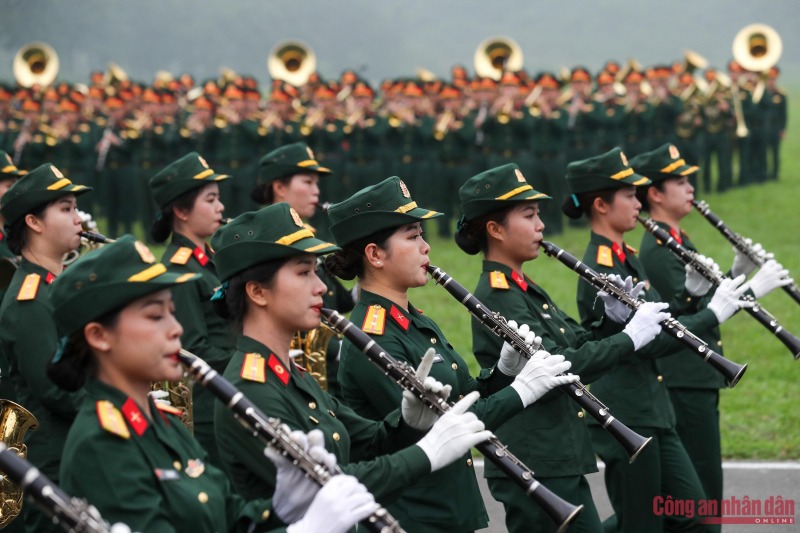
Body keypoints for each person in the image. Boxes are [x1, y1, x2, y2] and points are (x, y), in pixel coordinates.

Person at [47, 235, 378, 533]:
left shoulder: (160, 420)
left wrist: (281, 507)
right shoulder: (101, 444)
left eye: (172, 312)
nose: (176, 329)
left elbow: (227, 516)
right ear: (99, 336)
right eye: (154, 315)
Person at [326, 176, 580, 532]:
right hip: (416, 517)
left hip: (452, 510)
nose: (426, 247)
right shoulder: (373, 337)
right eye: (413, 236)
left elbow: (461, 397)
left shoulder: (414, 321)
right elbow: (445, 423)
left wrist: (506, 372)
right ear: (375, 254)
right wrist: (521, 392)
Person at [211, 202, 495, 515]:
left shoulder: (293, 375)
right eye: (304, 273)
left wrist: (410, 422)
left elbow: (366, 442)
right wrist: (427, 452)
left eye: (316, 272)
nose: (321, 287)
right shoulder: (251, 390)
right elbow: (330, 485)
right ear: (258, 292)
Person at [454, 162, 668, 533]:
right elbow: (561, 363)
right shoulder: (497, 295)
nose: (541, 225)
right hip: (534, 458)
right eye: (529, 215)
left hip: (554, 455)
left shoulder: (523, 287)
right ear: (495, 229)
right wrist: (630, 337)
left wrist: (612, 320)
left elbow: (573, 340)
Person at [562, 147, 753, 533]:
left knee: (693, 516)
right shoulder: (600, 268)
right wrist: (711, 312)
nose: (639, 201)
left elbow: (660, 330)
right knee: (643, 523)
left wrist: (690, 301)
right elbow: (652, 342)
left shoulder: (624, 257)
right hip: (628, 414)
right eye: (630, 195)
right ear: (601, 205)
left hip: (653, 409)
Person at [630, 143, 791, 529]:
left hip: (696, 377)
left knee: (698, 492)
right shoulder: (657, 249)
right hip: (683, 377)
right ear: (654, 193)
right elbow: (690, 317)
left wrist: (737, 271)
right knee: (697, 496)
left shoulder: (677, 238)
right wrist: (755, 288)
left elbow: (702, 298)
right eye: (680, 181)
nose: (690, 188)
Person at [0, 163, 91, 533]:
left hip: (76, 446)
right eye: (66, 209)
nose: (78, 218)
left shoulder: (57, 286)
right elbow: (56, 390)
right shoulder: (29, 300)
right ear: (34, 223)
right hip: (55, 457)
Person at [148, 151, 233, 467]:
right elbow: (194, 350)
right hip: (209, 404)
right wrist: (251, 362)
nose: (220, 208)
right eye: (210, 200)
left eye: (218, 199)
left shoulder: (208, 259)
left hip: (228, 391)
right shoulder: (179, 270)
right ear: (181, 211)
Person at [251, 142, 355, 396]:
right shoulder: (264, 242)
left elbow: (341, 301)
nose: (316, 191)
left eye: (317, 183)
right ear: (279, 187)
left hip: (329, 369)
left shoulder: (309, 238)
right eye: (307, 182)